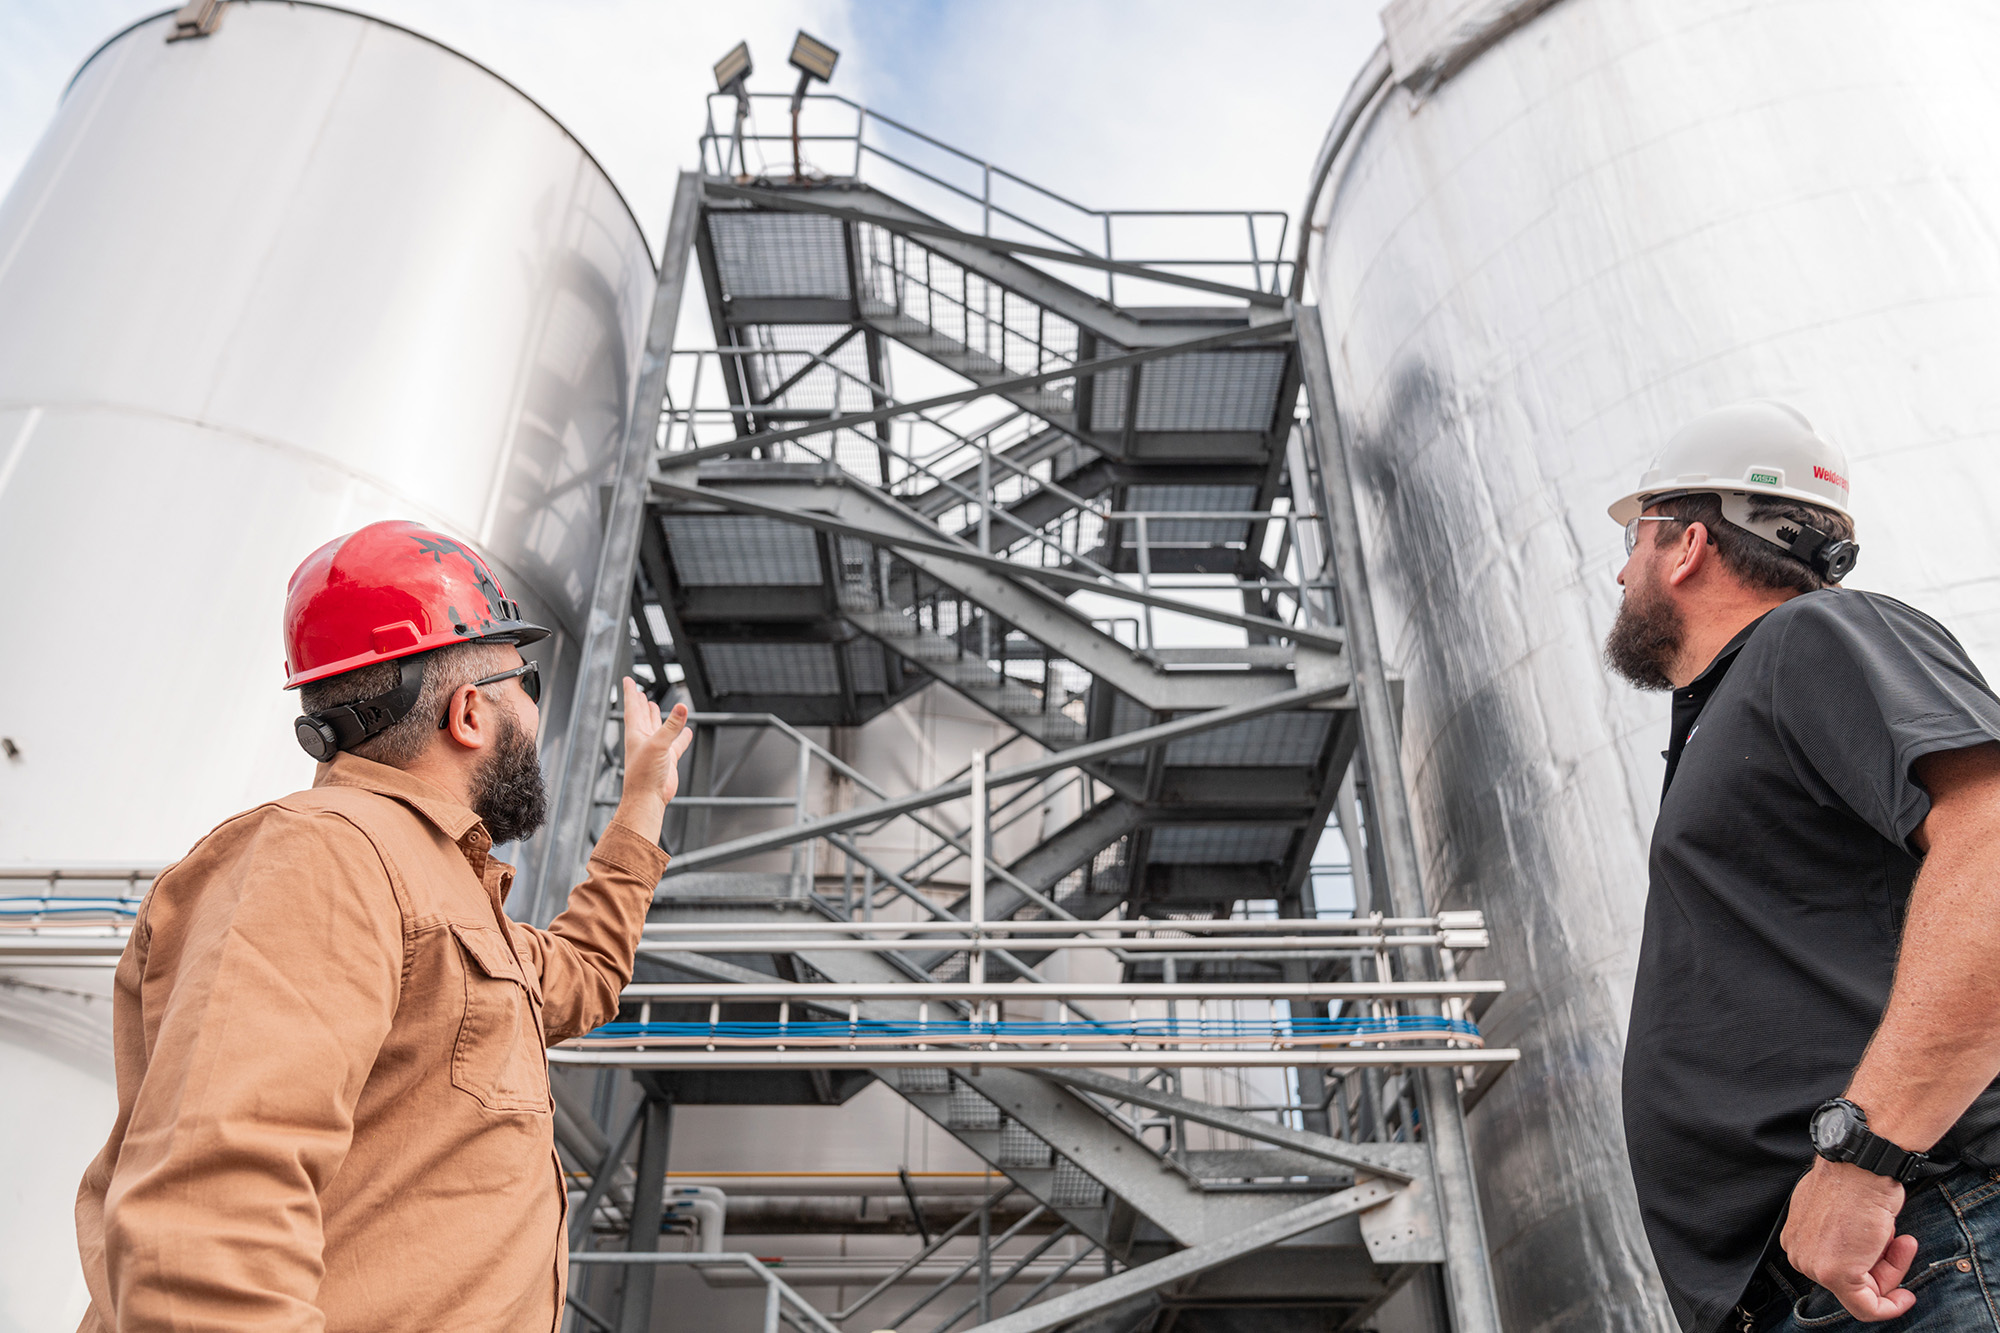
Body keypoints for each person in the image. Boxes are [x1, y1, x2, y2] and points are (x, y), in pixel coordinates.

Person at [73, 519, 694, 1332]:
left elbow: (583, 974)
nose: (535, 720)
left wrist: (644, 800)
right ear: (470, 712)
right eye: (527, 687)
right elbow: (206, 1233)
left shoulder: (442, 892)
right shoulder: (325, 855)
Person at [1607, 401, 2000, 1332]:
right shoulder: (1731, 712)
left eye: (1633, 543)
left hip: (1917, 1241)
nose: (1622, 572)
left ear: (1688, 545)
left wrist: (1864, 1157)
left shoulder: (1811, 637)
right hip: (1829, 1272)